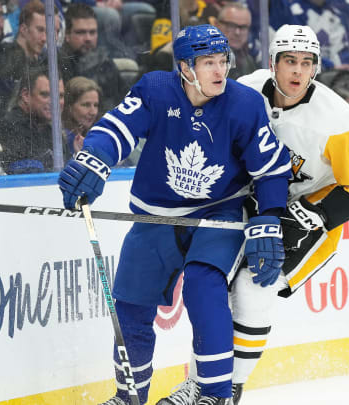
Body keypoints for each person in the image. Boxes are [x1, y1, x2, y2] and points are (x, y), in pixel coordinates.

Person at [58, 24, 291, 405]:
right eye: (208, 63)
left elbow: (271, 169)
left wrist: (269, 217)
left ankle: (215, 394)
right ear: (184, 67)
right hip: (156, 217)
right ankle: (129, 395)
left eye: (223, 62)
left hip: (218, 215)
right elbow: (118, 127)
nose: (220, 72)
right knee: (131, 305)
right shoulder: (155, 89)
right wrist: (95, 157)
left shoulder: (244, 104)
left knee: (203, 287)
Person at [156, 24, 349, 405]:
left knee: (254, 283)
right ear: (272, 63)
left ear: (316, 68)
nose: (297, 71)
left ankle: (229, 389)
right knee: (212, 283)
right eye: (289, 61)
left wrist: (308, 215)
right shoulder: (245, 90)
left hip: (307, 215)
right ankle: (199, 384)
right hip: (249, 203)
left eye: (307, 62)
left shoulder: (336, 118)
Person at [0, 0, 60, 117]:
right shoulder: (9, 56)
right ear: (23, 29)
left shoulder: (39, 59)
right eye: (40, 30)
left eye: (49, 31)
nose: (45, 38)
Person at [0, 67, 65, 173]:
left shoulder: (49, 130)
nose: (55, 101)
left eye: (60, 96)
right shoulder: (11, 127)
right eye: (45, 94)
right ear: (25, 95)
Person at [59, 3, 126, 112]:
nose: (88, 38)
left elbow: (121, 100)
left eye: (92, 32)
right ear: (66, 35)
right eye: (81, 32)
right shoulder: (59, 63)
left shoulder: (105, 61)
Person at [213, 2, 255, 80]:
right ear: (216, 25)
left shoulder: (249, 61)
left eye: (243, 27)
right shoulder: (205, 59)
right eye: (231, 25)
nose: (237, 32)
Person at [62, 76, 101, 155]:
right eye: (86, 105)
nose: (93, 112)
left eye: (96, 105)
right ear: (69, 107)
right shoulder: (60, 140)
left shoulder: (94, 136)